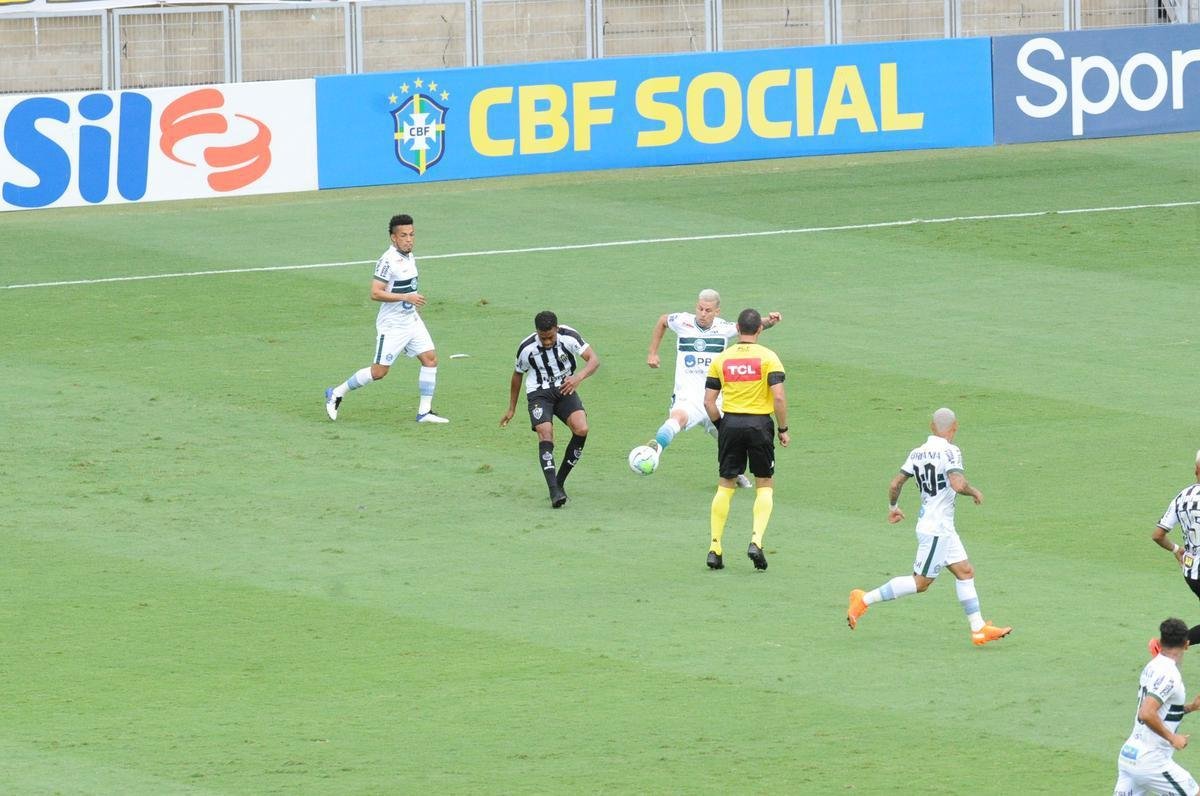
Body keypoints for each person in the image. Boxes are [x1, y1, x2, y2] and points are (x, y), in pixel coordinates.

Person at [846, 408, 1011, 646]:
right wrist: (973, 491)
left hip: (939, 527)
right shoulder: (951, 451)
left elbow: (895, 483)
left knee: (965, 571)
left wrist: (894, 507)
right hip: (936, 530)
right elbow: (956, 483)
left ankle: (979, 629)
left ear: (932, 427)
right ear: (953, 428)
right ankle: (863, 599)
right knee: (920, 583)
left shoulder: (917, 453)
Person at [644, 289, 780, 488]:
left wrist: (770, 320)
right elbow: (663, 320)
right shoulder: (683, 321)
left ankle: (736, 473)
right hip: (687, 396)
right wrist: (652, 353)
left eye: (708, 310)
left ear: (717, 311)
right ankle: (653, 451)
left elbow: (749, 328)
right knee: (677, 419)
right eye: (700, 308)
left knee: (728, 437)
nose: (703, 313)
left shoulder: (723, 328)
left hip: (715, 398)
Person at [324, 213, 448, 423]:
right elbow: (375, 293)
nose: (409, 239)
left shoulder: (409, 255)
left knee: (430, 359)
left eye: (411, 235)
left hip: (411, 320)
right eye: (403, 235)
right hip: (392, 326)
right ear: (393, 237)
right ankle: (336, 393)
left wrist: (410, 302)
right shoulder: (387, 261)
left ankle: (424, 412)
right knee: (379, 372)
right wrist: (405, 297)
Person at [702, 308, 788, 571]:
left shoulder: (722, 358)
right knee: (764, 483)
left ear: (737, 329)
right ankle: (756, 541)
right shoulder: (768, 357)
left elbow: (708, 401)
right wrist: (783, 429)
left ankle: (715, 547)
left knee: (725, 485)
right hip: (760, 424)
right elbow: (779, 397)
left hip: (731, 423)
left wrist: (722, 425)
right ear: (759, 329)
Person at [500, 311, 600, 508]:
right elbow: (517, 375)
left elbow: (594, 360)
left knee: (582, 429)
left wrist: (578, 377)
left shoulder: (569, 336)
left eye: (550, 337)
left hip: (565, 388)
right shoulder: (526, 348)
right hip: (539, 394)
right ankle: (554, 491)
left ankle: (560, 481)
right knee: (546, 434)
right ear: (537, 331)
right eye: (542, 337)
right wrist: (511, 408)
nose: (546, 342)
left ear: (556, 328)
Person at [1115, 617, 1200, 796]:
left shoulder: (1152, 666)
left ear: (1161, 642)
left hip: (1130, 754)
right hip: (1151, 760)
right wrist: (1172, 738)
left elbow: (1161, 711)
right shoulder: (1170, 675)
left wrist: (1191, 707)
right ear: (1186, 644)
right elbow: (1146, 713)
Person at [1147, 451, 1200, 655]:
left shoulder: (1182, 497)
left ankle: (1165, 646)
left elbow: (1158, 535)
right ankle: (1165, 646)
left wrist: (1176, 549)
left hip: (1191, 572)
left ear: (1196, 470)